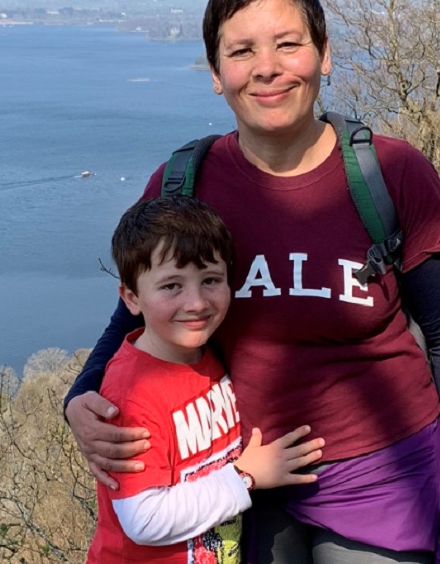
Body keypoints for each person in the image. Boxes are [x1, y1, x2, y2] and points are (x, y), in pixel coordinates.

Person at [67, 0, 440, 564]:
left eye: (288, 44)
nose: (266, 68)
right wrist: (81, 395)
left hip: (383, 472)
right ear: (217, 74)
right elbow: (134, 318)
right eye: (241, 51)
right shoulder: (182, 186)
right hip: (244, 478)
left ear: (323, 55)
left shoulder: (394, 175)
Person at [86, 194, 325, 564]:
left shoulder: (209, 353)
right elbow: (142, 519)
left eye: (211, 280)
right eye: (171, 287)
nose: (196, 302)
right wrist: (246, 476)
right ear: (131, 298)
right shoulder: (133, 392)